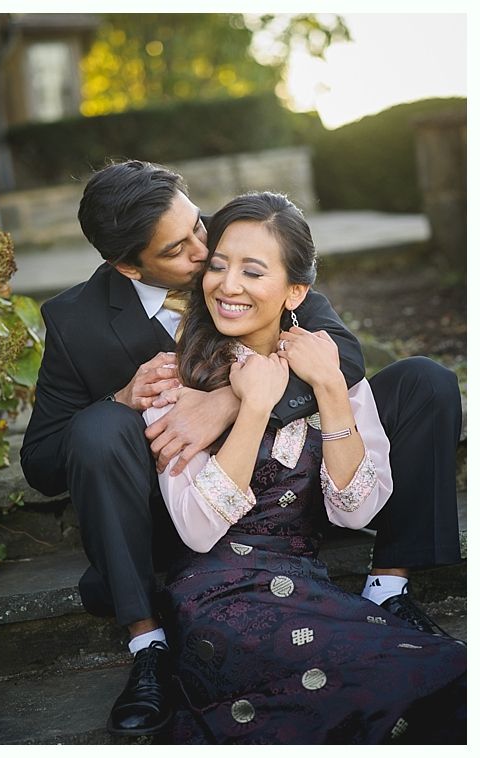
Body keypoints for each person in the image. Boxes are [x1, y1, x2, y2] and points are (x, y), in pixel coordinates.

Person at [20, 161, 463, 737]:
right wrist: (123, 397)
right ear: (128, 265)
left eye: (199, 225)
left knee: (426, 381)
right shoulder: (77, 321)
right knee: (99, 426)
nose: (207, 254)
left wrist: (233, 398)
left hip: (297, 486)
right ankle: (147, 642)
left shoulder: (242, 255)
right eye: (181, 249)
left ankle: (389, 587)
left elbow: (343, 359)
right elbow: (43, 463)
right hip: (184, 517)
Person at [144, 192, 465, 743]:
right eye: (217, 266)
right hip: (217, 597)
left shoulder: (324, 362)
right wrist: (252, 408)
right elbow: (197, 529)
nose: (228, 284)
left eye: (252, 271)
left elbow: (356, 510)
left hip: (305, 583)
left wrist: (332, 391)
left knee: (448, 678)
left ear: (296, 291)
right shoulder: (175, 380)